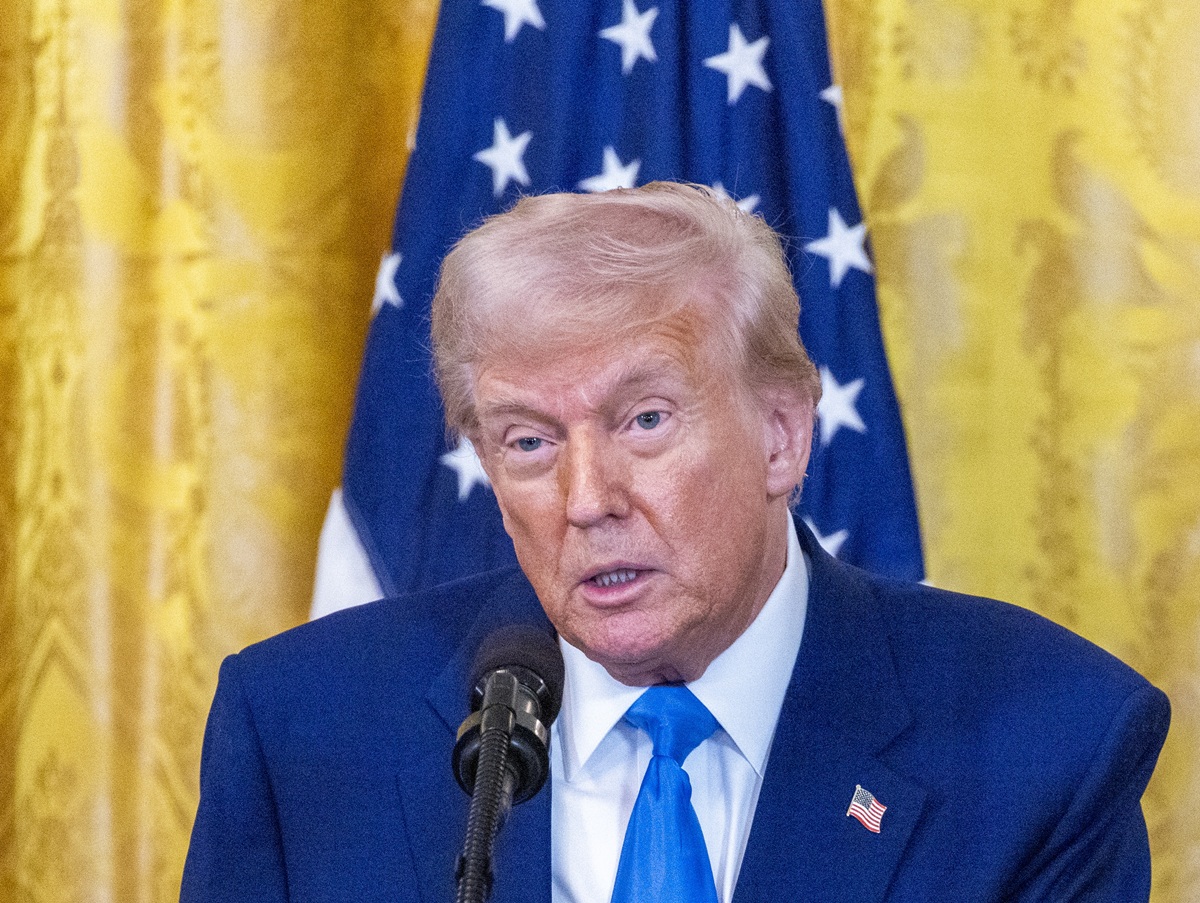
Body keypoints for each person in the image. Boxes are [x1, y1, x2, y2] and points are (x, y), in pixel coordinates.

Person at [181, 182, 1169, 903]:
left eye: (646, 420)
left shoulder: (1047, 742)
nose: (587, 499)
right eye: (528, 441)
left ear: (782, 434)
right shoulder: (301, 734)